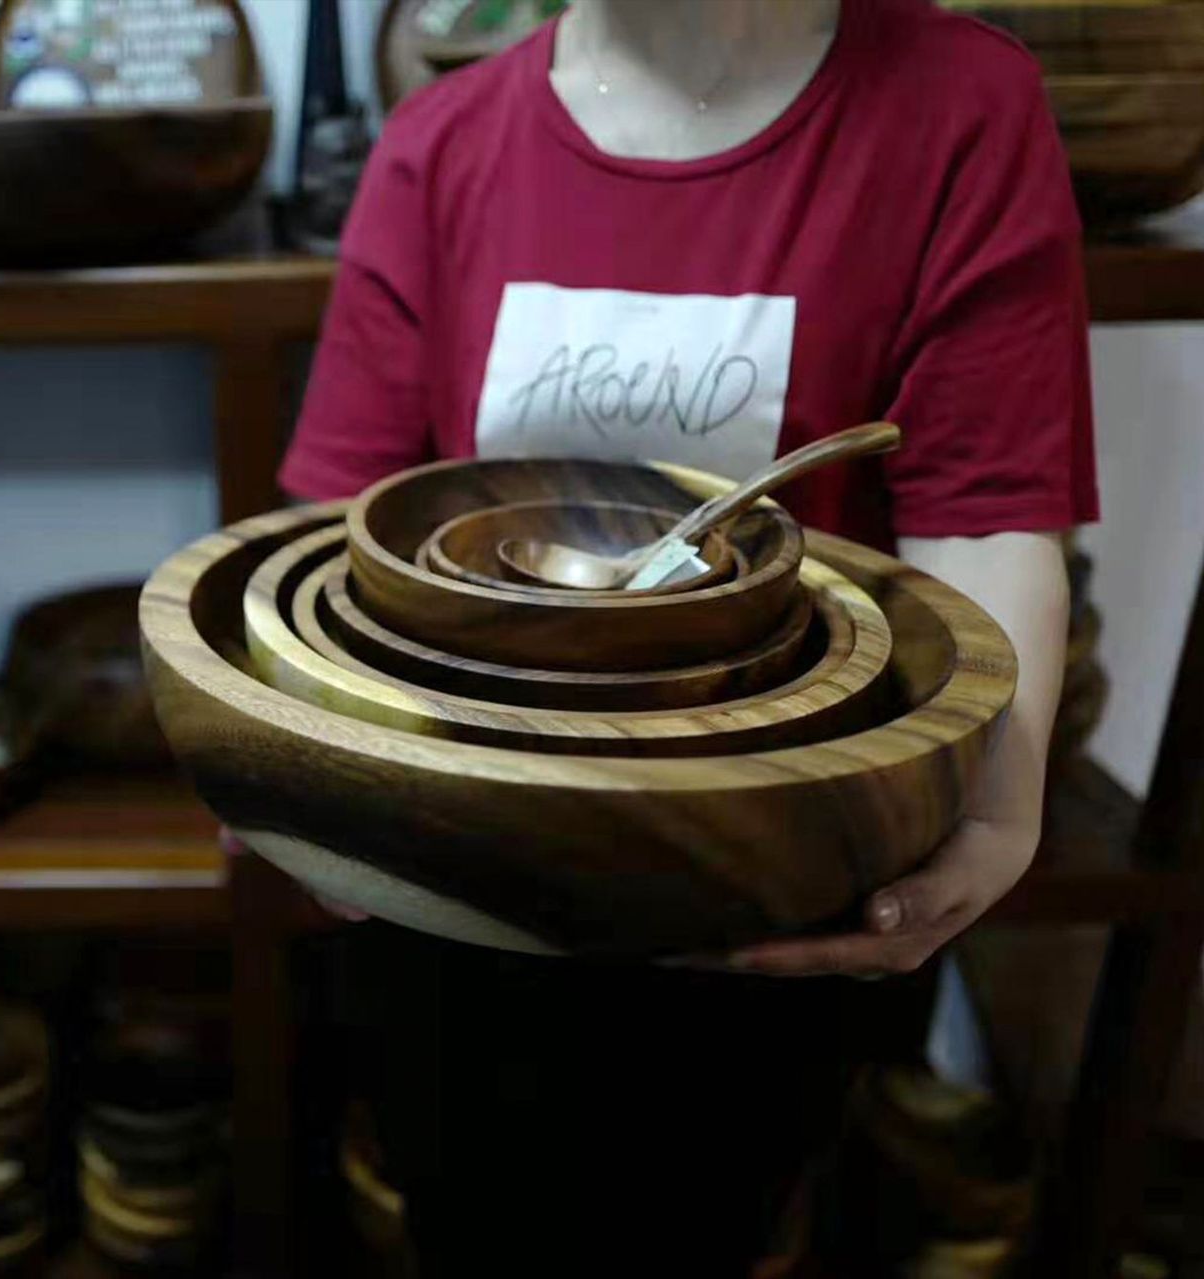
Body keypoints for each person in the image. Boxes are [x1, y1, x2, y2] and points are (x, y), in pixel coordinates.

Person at [272, 0, 1094, 1271]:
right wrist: (287, 762)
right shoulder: (440, 141)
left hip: (772, 872)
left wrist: (997, 807)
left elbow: (982, 513)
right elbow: (336, 541)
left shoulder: (958, 107)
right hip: (472, 870)